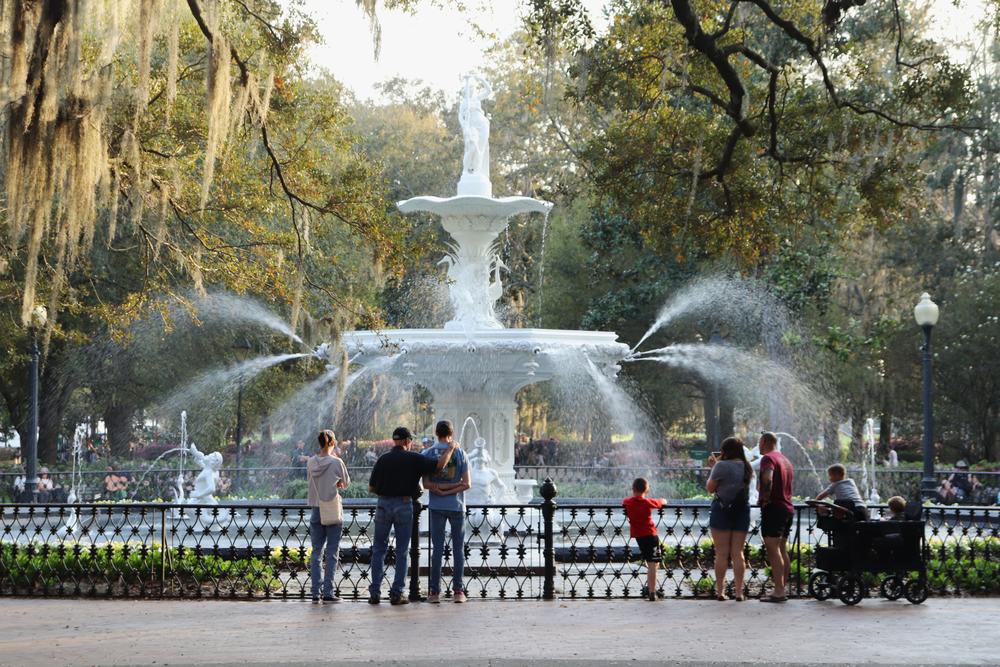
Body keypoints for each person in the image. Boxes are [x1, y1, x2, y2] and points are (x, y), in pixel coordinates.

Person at [368, 426, 457, 605]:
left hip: (383, 505)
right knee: (402, 551)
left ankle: (375, 593)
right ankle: (397, 593)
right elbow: (439, 465)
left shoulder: (383, 459)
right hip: (403, 504)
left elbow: (371, 488)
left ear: (394, 441)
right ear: (407, 441)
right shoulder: (414, 458)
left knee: (378, 550)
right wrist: (451, 449)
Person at [421, 420, 471, 603]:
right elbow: (467, 484)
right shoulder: (460, 453)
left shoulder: (426, 454)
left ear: (436, 433)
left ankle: (434, 592)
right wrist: (451, 489)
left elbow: (425, 484)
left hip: (436, 507)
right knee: (458, 550)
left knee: (437, 549)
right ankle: (459, 591)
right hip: (457, 506)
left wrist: (440, 490)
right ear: (452, 432)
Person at [706, 437, 752, 601]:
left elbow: (710, 489)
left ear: (725, 450)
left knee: (721, 554)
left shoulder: (721, 465)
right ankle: (739, 592)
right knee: (738, 553)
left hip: (722, 511)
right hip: (741, 511)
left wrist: (713, 468)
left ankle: (721, 592)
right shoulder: (747, 466)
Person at [308, 429, 350, 603]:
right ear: (332, 443)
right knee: (332, 552)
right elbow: (346, 483)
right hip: (331, 509)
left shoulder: (310, 462)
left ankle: (315, 592)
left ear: (319, 443)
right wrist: (338, 483)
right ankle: (328, 592)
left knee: (317, 551)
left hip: (316, 510)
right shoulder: (336, 462)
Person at [757, 431, 794, 603]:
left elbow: (767, 479)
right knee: (781, 549)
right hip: (787, 508)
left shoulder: (768, 459)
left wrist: (764, 498)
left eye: (759, 442)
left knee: (773, 549)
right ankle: (781, 587)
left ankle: (779, 591)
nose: (758, 445)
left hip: (774, 508)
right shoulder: (785, 459)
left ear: (764, 441)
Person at [622, 477, 665, 601]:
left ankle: (650, 588)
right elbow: (661, 502)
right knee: (654, 564)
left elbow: (624, 502)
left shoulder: (628, 502)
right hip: (651, 536)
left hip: (639, 537)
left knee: (649, 561)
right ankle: (652, 592)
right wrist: (663, 500)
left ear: (633, 489)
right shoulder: (648, 502)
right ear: (647, 489)